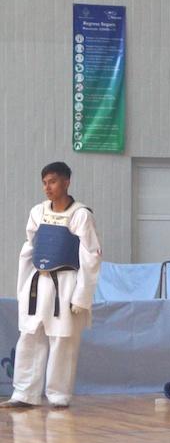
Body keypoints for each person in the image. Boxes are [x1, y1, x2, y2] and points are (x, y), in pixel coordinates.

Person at [1, 162, 101, 410]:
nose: (48, 187)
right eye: (45, 182)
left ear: (66, 182)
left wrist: (82, 296)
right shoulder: (38, 211)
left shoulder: (80, 214)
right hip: (38, 283)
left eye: (53, 181)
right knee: (30, 335)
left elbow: (91, 256)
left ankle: (58, 396)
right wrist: (23, 288)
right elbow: (29, 250)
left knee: (62, 340)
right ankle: (25, 393)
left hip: (65, 283)